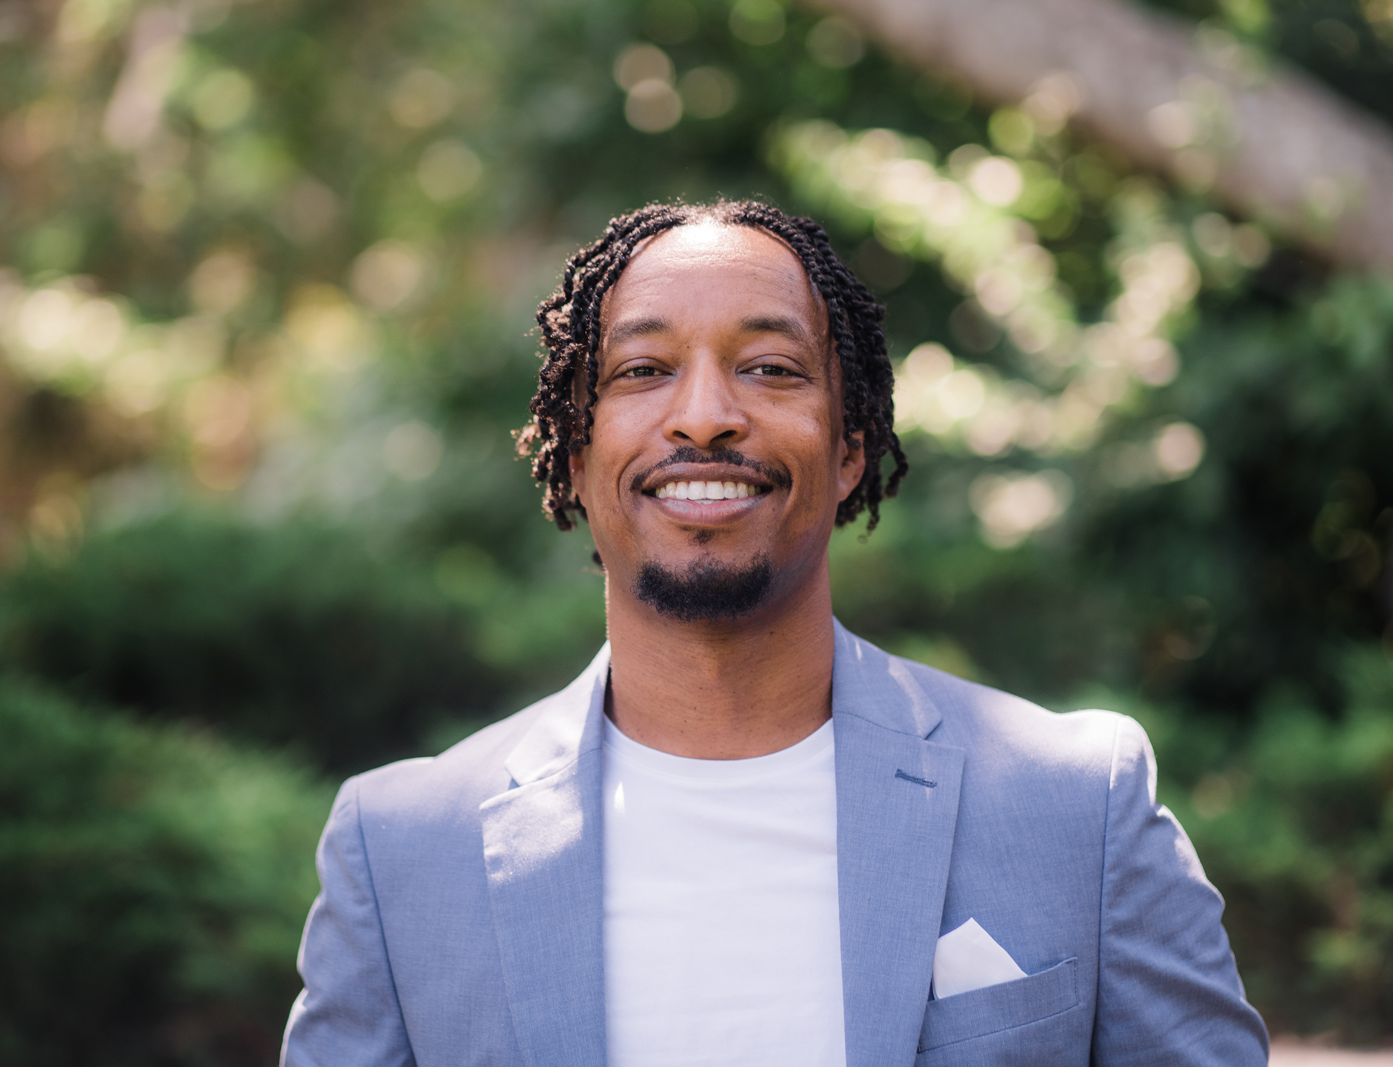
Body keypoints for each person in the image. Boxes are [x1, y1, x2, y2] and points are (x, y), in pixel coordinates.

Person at [280, 200, 1269, 1067]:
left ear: (848, 450)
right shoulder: (404, 850)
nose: (705, 416)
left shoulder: (1073, 803)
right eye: (642, 368)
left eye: (767, 366)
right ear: (576, 454)